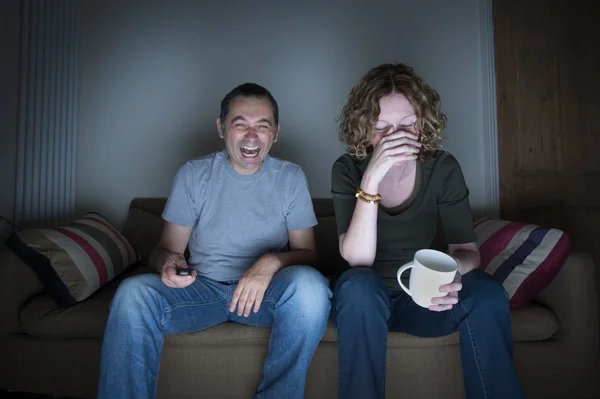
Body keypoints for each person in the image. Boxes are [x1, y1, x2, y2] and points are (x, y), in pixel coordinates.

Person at [97, 83, 332, 399]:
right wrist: (167, 262)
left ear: (275, 132)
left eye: (262, 126)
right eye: (240, 124)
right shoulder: (193, 174)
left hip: (261, 295)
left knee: (311, 287)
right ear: (221, 128)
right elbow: (165, 251)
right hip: (201, 291)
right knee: (131, 293)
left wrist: (270, 262)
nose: (251, 137)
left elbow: (309, 256)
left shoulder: (290, 177)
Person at [330, 63, 523, 399]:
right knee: (359, 285)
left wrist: (450, 277)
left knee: (487, 293)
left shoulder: (442, 168)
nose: (397, 137)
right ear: (364, 128)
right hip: (365, 303)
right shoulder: (347, 169)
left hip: (423, 302)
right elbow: (358, 258)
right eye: (382, 127)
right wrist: (371, 178)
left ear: (423, 123)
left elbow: (466, 250)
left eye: (407, 124)